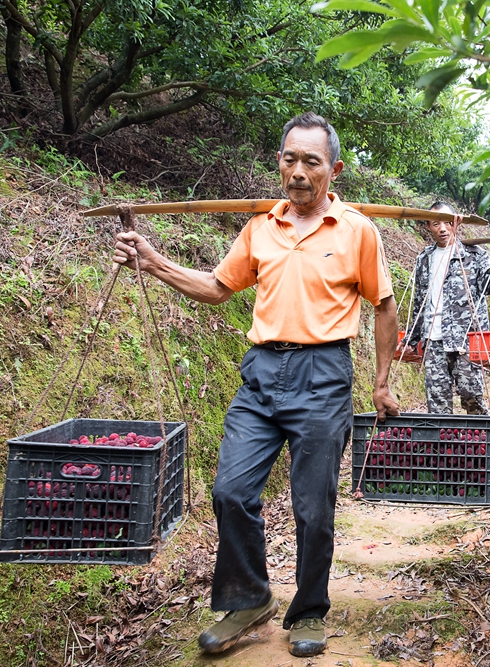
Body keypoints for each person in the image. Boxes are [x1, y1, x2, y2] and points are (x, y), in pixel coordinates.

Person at [112, 113, 399, 658]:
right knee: (230, 491)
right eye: (289, 159)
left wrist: (382, 382)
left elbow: (384, 306)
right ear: (279, 163)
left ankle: (309, 610)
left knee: (314, 505)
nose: (297, 171)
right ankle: (248, 599)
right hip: (262, 373)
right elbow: (218, 286)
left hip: (323, 376)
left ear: (332, 170)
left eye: (310, 162)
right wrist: (153, 261)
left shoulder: (358, 230)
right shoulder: (261, 227)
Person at [399, 202, 490, 414]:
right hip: (433, 341)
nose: (442, 228)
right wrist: (411, 339)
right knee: (437, 401)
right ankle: (444, 445)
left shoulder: (473, 254)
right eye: (435, 223)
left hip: (467, 340)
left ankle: (480, 443)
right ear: (427, 226)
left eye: (447, 222)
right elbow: (419, 303)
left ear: (456, 222)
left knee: (472, 396)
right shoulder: (424, 259)